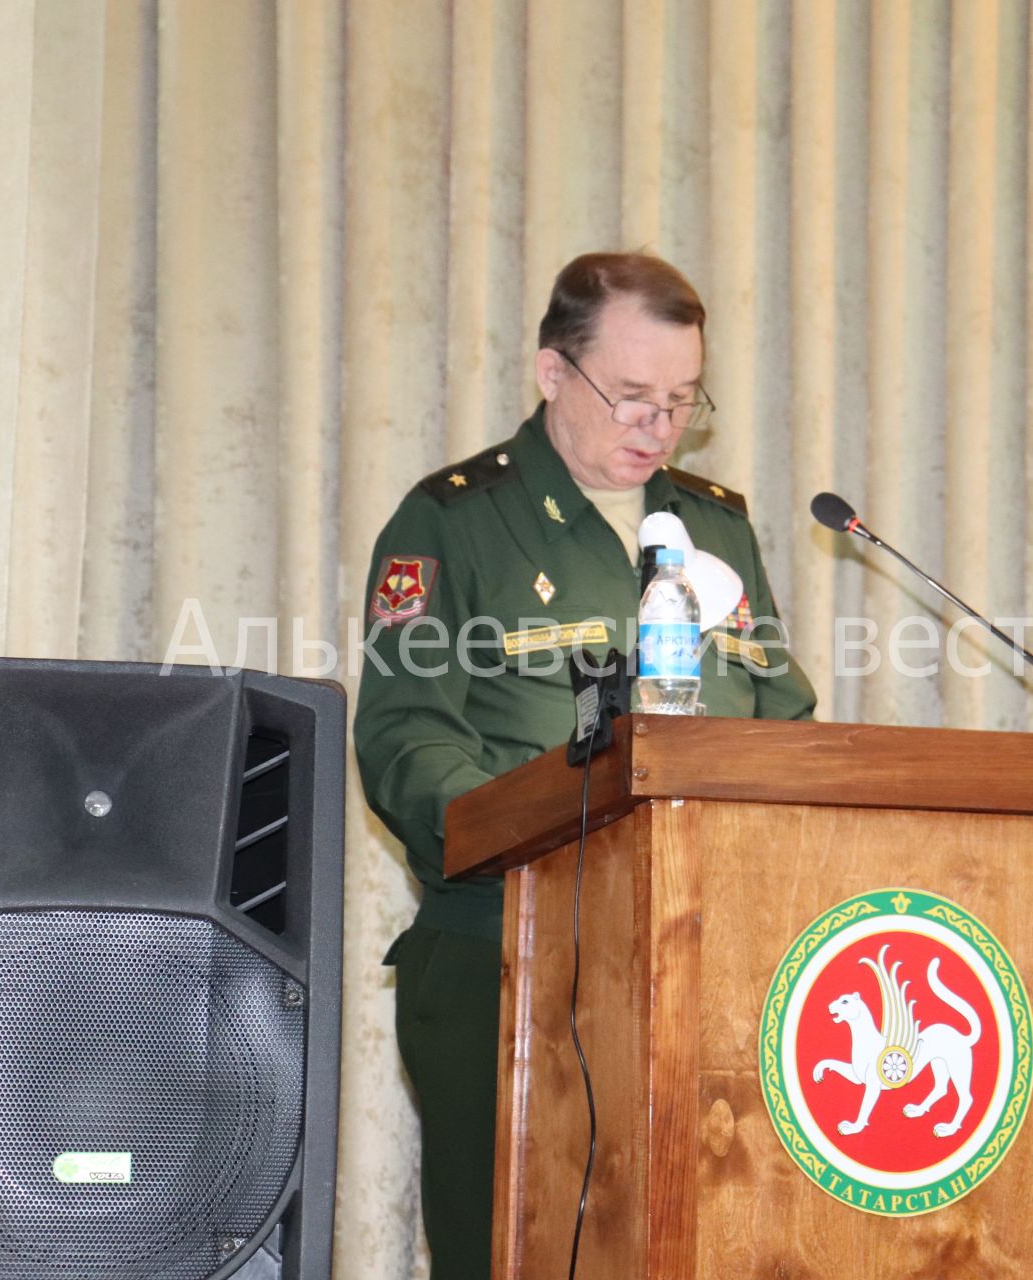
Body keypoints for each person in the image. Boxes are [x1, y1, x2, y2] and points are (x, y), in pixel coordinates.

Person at [354, 250, 817, 1277]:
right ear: (553, 373)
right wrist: (534, 824)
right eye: (634, 397)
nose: (657, 428)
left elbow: (782, 717)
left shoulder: (717, 527)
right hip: (509, 959)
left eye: (683, 403)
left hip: (711, 960)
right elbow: (403, 738)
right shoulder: (456, 520)